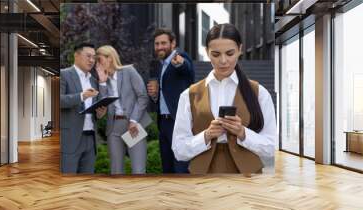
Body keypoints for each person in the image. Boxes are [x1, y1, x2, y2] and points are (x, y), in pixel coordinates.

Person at [172, 23, 277, 174]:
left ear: (240, 49)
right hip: (203, 175)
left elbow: (272, 147)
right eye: (215, 54)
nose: (223, 61)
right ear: (207, 52)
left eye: (230, 53)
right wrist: (207, 135)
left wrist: (242, 133)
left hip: (248, 176)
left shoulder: (259, 92)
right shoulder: (189, 95)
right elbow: (179, 150)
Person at [96, 45, 152, 175]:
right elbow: (102, 105)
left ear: (109, 58)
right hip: (113, 127)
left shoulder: (129, 71)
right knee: (116, 171)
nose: (96, 64)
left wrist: (133, 120)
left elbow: (143, 96)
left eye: (99, 60)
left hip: (133, 124)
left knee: (138, 170)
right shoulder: (101, 81)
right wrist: (103, 83)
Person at [147, 28, 195, 174]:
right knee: (167, 168)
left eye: (163, 43)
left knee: (181, 167)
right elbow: (165, 94)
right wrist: (154, 94)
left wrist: (180, 63)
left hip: (178, 122)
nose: (160, 47)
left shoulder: (179, 57)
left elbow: (187, 70)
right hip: (164, 122)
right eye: (157, 44)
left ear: (173, 43)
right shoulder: (160, 65)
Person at [60, 43, 107, 174]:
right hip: (71, 138)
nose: (91, 60)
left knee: (86, 182)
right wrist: (82, 96)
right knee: (68, 181)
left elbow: (98, 104)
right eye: (88, 56)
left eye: (94, 57)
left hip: (90, 138)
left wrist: (100, 113)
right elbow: (58, 100)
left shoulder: (93, 80)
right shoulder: (64, 75)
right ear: (76, 55)